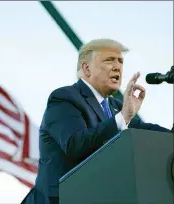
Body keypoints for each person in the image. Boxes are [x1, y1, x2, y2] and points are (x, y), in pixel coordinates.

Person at [21, 38, 171, 204]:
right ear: (86, 68)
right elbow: (76, 144)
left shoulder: (115, 107)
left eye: (121, 61)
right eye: (109, 60)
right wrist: (123, 117)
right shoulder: (64, 98)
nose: (117, 67)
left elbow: (145, 132)